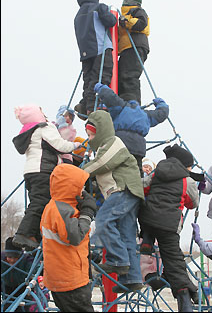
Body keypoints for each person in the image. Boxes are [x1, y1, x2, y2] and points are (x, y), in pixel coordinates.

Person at [82, 110, 145, 293]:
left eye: (92, 133)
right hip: (125, 192)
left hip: (124, 189)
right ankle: (132, 278)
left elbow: (103, 163)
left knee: (103, 221)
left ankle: (118, 259)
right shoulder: (104, 148)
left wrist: (79, 173)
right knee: (126, 235)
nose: (90, 138)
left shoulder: (114, 143)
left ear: (101, 130)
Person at [12, 105, 83, 250]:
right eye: (42, 113)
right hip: (43, 170)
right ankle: (24, 233)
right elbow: (59, 145)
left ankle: (34, 236)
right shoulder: (44, 127)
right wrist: (76, 145)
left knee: (39, 203)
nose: (45, 115)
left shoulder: (30, 132)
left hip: (31, 172)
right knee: (41, 201)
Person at [138, 144, 200, 312]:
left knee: (148, 211)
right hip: (169, 227)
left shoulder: (157, 172)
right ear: (185, 164)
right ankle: (186, 303)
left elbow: (143, 186)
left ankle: (147, 242)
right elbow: (193, 203)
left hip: (148, 220)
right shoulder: (188, 181)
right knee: (175, 264)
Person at [40, 163, 96, 312]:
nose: (82, 191)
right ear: (70, 187)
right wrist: (87, 213)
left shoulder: (55, 206)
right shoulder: (61, 209)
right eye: (80, 186)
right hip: (69, 280)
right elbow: (76, 236)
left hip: (62, 277)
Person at [94, 82, 169, 176]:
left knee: (117, 171)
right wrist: (161, 103)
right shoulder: (145, 115)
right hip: (139, 148)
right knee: (136, 172)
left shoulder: (121, 107)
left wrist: (99, 87)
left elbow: (109, 96)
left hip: (120, 143)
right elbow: (162, 113)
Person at [74, 0, 117, 118]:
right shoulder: (99, 7)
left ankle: (86, 104)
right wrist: (111, 13)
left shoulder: (78, 15)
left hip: (85, 52)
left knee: (88, 79)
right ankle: (94, 106)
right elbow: (111, 21)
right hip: (100, 47)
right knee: (101, 76)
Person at [118, 0, 149, 104]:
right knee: (121, 75)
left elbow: (141, 23)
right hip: (127, 48)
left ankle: (131, 103)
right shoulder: (124, 16)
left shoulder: (136, 11)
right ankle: (123, 100)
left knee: (129, 75)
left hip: (135, 45)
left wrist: (126, 22)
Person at [1, 237, 34, 312]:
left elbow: (36, 267)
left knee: (22, 309)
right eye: (9, 257)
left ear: (20, 255)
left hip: (23, 289)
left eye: (15, 257)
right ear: (6, 255)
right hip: (6, 289)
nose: (12, 260)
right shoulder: (2, 259)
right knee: (7, 307)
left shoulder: (27, 259)